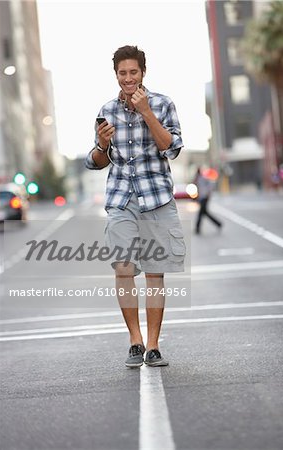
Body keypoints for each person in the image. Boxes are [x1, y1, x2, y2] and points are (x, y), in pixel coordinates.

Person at [85, 45, 185, 368]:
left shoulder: (162, 104)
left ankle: (153, 345)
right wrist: (102, 144)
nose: (128, 78)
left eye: (133, 72)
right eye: (122, 73)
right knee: (124, 268)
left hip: (156, 198)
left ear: (143, 72)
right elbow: (97, 162)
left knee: (154, 273)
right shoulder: (106, 110)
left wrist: (146, 113)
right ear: (115, 74)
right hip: (121, 199)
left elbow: (172, 149)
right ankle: (135, 340)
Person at [194, 167, 222, 234]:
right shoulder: (198, 179)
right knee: (205, 212)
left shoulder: (203, 178)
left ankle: (197, 228)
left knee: (201, 213)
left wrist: (208, 193)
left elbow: (210, 185)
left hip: (205, 197)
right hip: (202, 198)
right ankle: (218, 224)